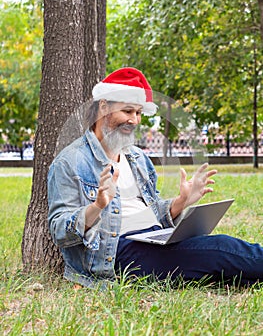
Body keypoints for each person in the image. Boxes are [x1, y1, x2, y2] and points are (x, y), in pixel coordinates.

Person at [47, 67, 263, 289]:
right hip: (115, 253)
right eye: (128, 111)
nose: (135, 120)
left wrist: (182, 202)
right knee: (219, 248)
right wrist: (98, 206)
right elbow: (59, 231)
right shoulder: (70, 162)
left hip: (155, 238)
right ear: (104, 107)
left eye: (139, 113)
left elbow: (149, 213)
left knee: (222, 265)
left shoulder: (137, 157)